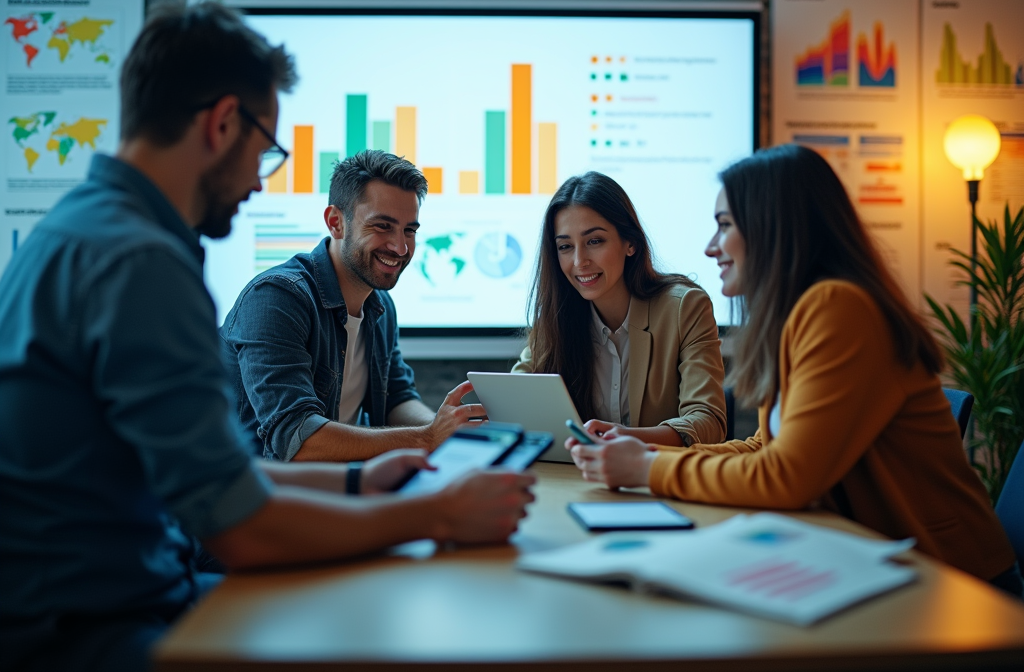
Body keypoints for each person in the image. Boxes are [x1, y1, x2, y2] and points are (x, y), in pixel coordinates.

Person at [0, 2, 535, 672]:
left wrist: (356, 484)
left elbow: (216, 477)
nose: (258, 181)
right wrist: (437, 516)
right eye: (265, 152)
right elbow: (240, 524)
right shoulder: (142, 263)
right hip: (93, 626)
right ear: (223, 122)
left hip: (104, 594)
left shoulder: (82, 229)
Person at [567, 144, 1021, 594]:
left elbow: (786, 478)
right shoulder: (799, 316)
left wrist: (647, 469)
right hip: (880, 565)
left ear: (772, 226)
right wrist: (646, 454)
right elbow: (765, 449)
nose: (710, 248)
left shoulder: (839, 308)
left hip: (955, 585)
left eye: (724, 226)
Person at [221, 150, 484, 463]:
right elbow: (296, 440)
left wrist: (454, 432)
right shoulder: (276, 298)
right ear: (336, 223)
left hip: (337, 485)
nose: (400, 248)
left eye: (409, 230)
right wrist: (427, 437)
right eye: (382, 226)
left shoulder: (380, 304)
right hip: (260, 501)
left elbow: (396, 400)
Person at [514, 171, 726, 447]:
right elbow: (516, 398)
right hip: (579, 481)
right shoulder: (555, 318)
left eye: (594, 241)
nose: (579, 261)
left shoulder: (684, 308)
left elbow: (709, 421)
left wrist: (627, 439)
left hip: (659, 479)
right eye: (565, 246)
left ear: (631, 243)